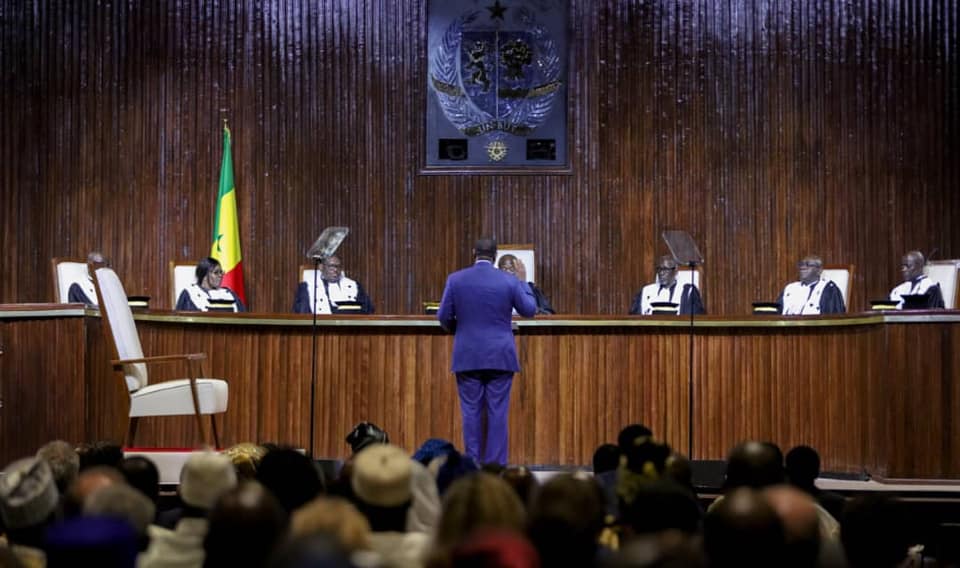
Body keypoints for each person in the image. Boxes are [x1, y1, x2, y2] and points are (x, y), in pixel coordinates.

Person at [437, 237, 537, 465]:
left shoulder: (456, 279)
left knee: (470, 413)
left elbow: (442, 317)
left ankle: (472, 464)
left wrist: (459, 330)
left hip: (467, 354)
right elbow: (530, 310)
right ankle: (496, 466)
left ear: (474, 252)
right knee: (498, 413)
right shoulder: (509, 281)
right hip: (500, 356)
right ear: (495, 255)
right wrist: (523, 282)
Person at [293, 255, 374, 314]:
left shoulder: (354, 285)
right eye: (331, 266)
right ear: (321, 267)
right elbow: (302, 313)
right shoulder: (307, 287)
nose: (335, 270)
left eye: (338, 266)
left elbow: (368, 309)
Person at [629, 255, 705, 315]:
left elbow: (695, 318)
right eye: (659, 269)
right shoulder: (646, 291)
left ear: (675, 270)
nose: (661, 273)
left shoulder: (688, 292)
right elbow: (635, 318)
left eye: (665, 269)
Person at [777, 255, 845, 315]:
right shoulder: (790, 288)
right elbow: (777, 311)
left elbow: (833, 317)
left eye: (808, 264)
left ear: (819, 270)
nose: (802, 267)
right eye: (801, 264)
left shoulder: (829, 289)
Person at [175, 257, 246, 312]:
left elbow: (242, 317)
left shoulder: (229, 294)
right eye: (216, 272)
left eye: (221, 272)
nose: (220, 275)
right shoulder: (190, 294)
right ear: (205, 276)